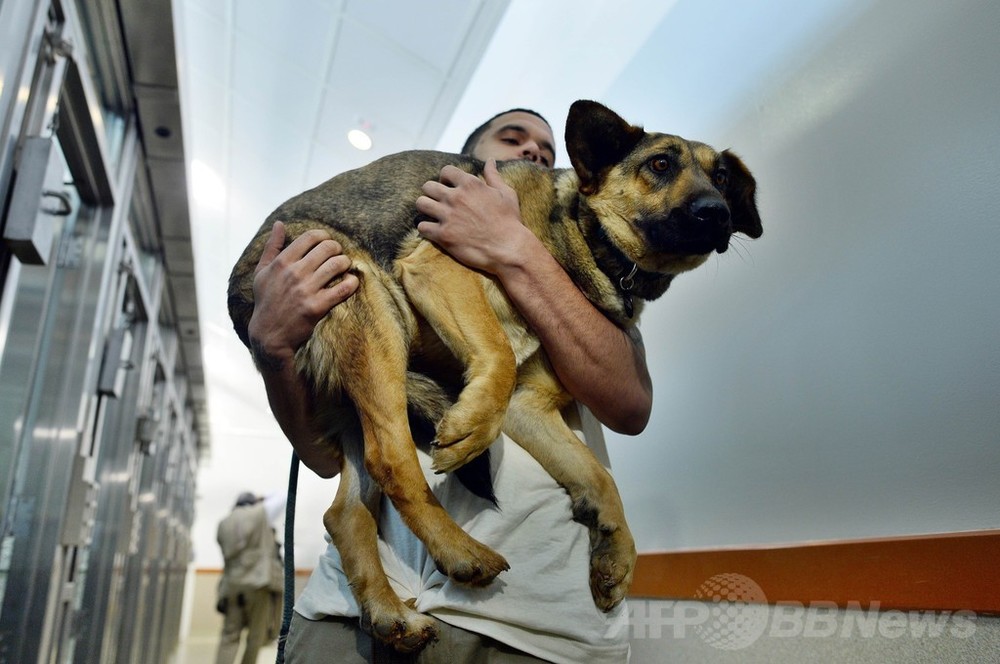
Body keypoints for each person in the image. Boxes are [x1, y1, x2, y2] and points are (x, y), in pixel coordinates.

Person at [247, 109, 653, 663]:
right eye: (512, 139)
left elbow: (629, 406)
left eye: (545, 149)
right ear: (463, 162)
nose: (533, 152)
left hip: (526, 620)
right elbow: (322, 458)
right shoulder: (411, 246)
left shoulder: (592, 277)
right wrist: (271, 350)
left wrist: (515, 246)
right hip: (345, 612)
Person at [215, 491, 286, 664]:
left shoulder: (224, 523)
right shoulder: (261, 513)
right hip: (258, 584)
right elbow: (283, 496)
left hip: (231, 585)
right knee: (255, 637)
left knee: (229, 637)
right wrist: (262, 499)